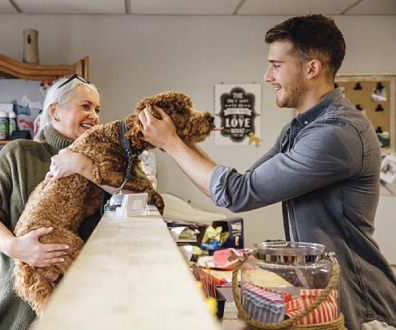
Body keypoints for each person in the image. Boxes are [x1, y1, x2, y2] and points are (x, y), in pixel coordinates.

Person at [138, 14, 396, 330]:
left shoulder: (337, 133)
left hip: (361, 306)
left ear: (311, 68)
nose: (267, 75)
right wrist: (178, 141)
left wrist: (171, 143)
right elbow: (242, 184)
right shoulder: (300, 129)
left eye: (276, 65)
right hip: (324, 295)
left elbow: (236, 194)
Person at [0, 74, 106, 329]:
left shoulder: (103, 164)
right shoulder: (20, 154)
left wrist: (83, 166)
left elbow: (142, 197)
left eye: (97, 109)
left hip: (81, 302)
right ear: (55, 111)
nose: (94, 115)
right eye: (85, 106)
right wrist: (15, 247)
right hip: (12, 300)